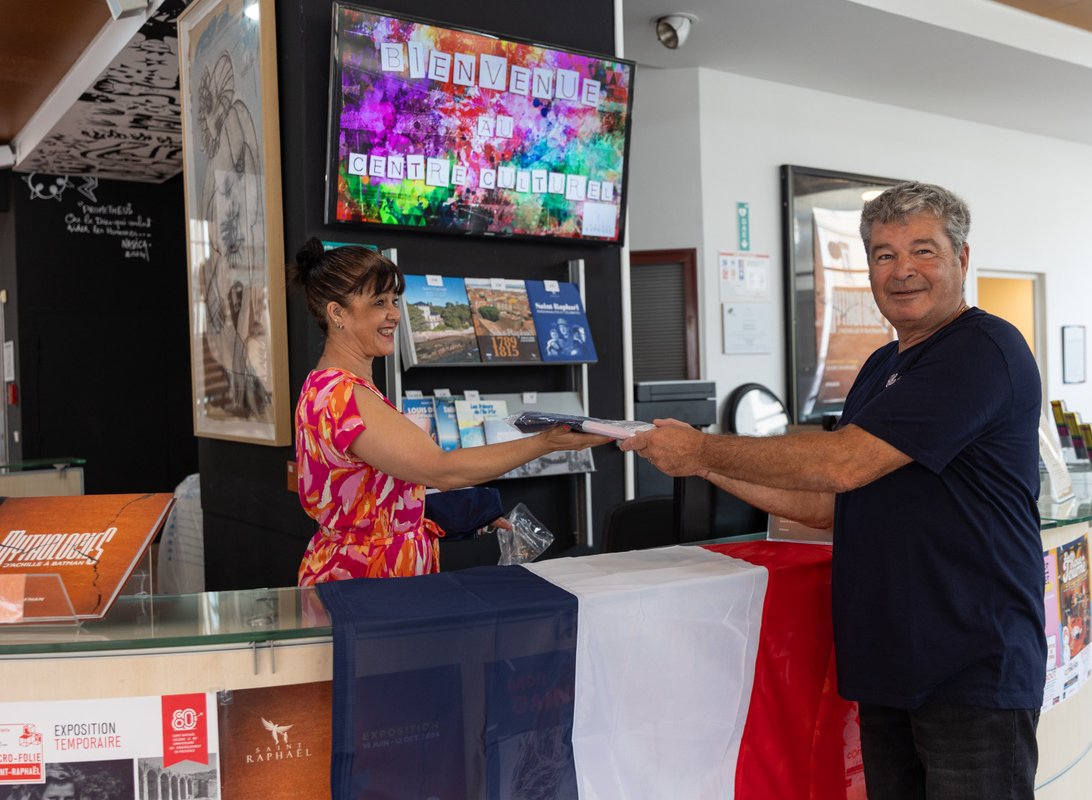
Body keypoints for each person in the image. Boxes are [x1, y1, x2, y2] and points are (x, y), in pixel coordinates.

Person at [620, 181, 1045, 799]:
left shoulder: (982, 349)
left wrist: (704, 447)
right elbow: (828, 504)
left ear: (962, 259)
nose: (902, 272)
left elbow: (844, 464)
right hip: (889, 663)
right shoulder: (882, 367)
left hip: (971, 664)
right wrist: (699, 466)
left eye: (922, 252)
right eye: (882, 255)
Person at [288, 239, 609, 585]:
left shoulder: (335, 387)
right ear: (338, 313)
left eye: (394, 301)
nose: (394, 314)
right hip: (368, 586)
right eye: (379, 302)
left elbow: (372, 495)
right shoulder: (344, 395)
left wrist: (466, 514)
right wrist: (545, 443)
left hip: (378, 579)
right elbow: (440, 470)